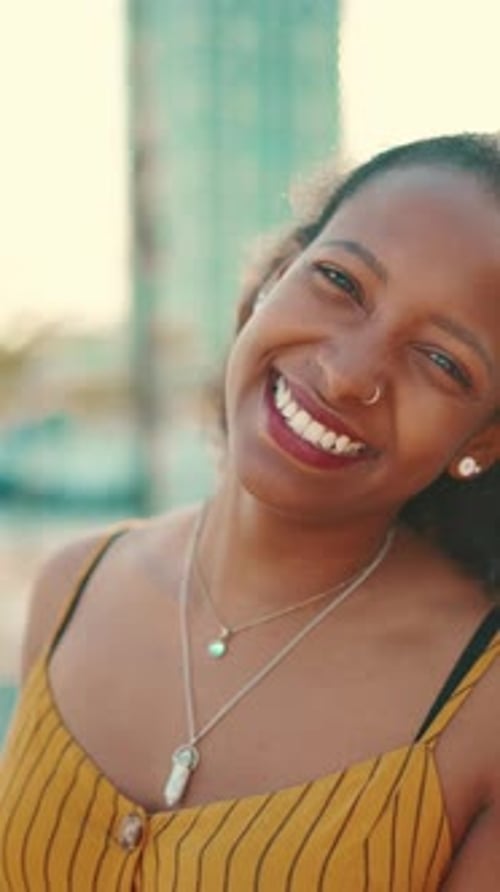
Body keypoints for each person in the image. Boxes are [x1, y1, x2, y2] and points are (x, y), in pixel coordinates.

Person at [0, 132, 499, 891]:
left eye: (441, 361)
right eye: (339, 280)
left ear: (486, 440)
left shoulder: (484, 706)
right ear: (273, 277)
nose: (346, 373)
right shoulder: (72, 586)